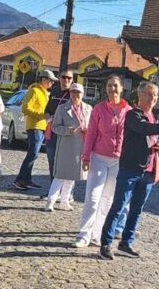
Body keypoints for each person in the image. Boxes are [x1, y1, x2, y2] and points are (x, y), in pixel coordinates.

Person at [98, 81, 159, 260]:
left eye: (156, 95)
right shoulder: (132, 115)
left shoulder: (154, 118)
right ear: (140, 95)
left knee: (136, 210)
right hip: (130, 169)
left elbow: (153, 138)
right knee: (119, 206)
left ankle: (126, 243)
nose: (153, 98)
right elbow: (143, 128)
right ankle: (106, 244)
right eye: (149, 94)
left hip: (148, 171)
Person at [74, 75, 132, 248]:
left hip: (118, 161)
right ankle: (83, 234)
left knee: (107, 199)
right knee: (92, 197)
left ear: (121, 88)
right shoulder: (99, 109)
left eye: (115, 86)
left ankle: (97, 234)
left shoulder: (129, 111)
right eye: (109, 86)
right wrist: (85, 156)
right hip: (98, 157)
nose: (112, 89)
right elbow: (91, 133)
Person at [44, 83, 92, 212]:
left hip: (80, 145)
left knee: (72, 175)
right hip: (65, 145)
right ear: (70, 93)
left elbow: (92, 126)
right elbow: (55, 127)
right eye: (73, 92)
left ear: (83, 94)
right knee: (60, 174)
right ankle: (50, 201)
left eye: (78, 92)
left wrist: (88, 130)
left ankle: (64, 201)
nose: (75, 95)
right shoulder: (62, 108)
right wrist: (67, 130)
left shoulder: (88, 108)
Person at [13, 69, 56, 191]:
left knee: (34, 154)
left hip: (42, 126)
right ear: (43, 79)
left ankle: (27, 179)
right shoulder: (34, 91)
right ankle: (20, 179)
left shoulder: (45, 93)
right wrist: (42, 115)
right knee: (33, 153)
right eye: (50, 80)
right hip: (34, 126)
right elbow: (25, 108)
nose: (52, 83)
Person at [44, 70, 75, 182]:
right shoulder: (54, 92)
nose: (66, 80)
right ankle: (53, 187)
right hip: (52, 132)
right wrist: (48, 117)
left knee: (65, 163)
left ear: (72, 80)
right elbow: (46, 110)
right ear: (59, 78)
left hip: (66, 133)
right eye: (63, 77)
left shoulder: (73, 94)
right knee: (52, 161)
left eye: (69, 78)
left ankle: (66, 189)